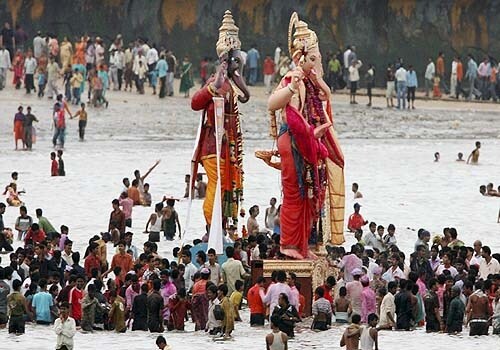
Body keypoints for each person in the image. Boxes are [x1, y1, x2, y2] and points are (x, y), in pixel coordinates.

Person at [191, 11, 249, 232]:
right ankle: (211, 226)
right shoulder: (214, 83)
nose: (236, 64)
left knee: (228, 188)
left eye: (237, 60)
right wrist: (215, 84)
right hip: (212, 147)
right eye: (232, 59)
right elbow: (195, 103)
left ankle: (221, 228)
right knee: (216, 185)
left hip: (228, 149)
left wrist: (237, 73)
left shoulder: (231, 85)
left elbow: (245, 95)